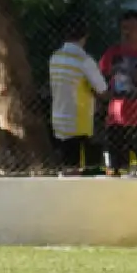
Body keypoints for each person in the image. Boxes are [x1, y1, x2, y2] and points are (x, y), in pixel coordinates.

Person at [49, 14, 108, 171]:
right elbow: (102, 90)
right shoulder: (83, 59)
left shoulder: (55, 57)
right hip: (79, 122)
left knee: (66, 164)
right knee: (82, 166)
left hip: (59, 118)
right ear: (86, 35)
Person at [99, 10, 137, 174]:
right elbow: (100, 79)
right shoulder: (113, 53)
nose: (127, 32)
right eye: (124, 28)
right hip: (117, 118)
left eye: (131, 28)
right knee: (116, 165)